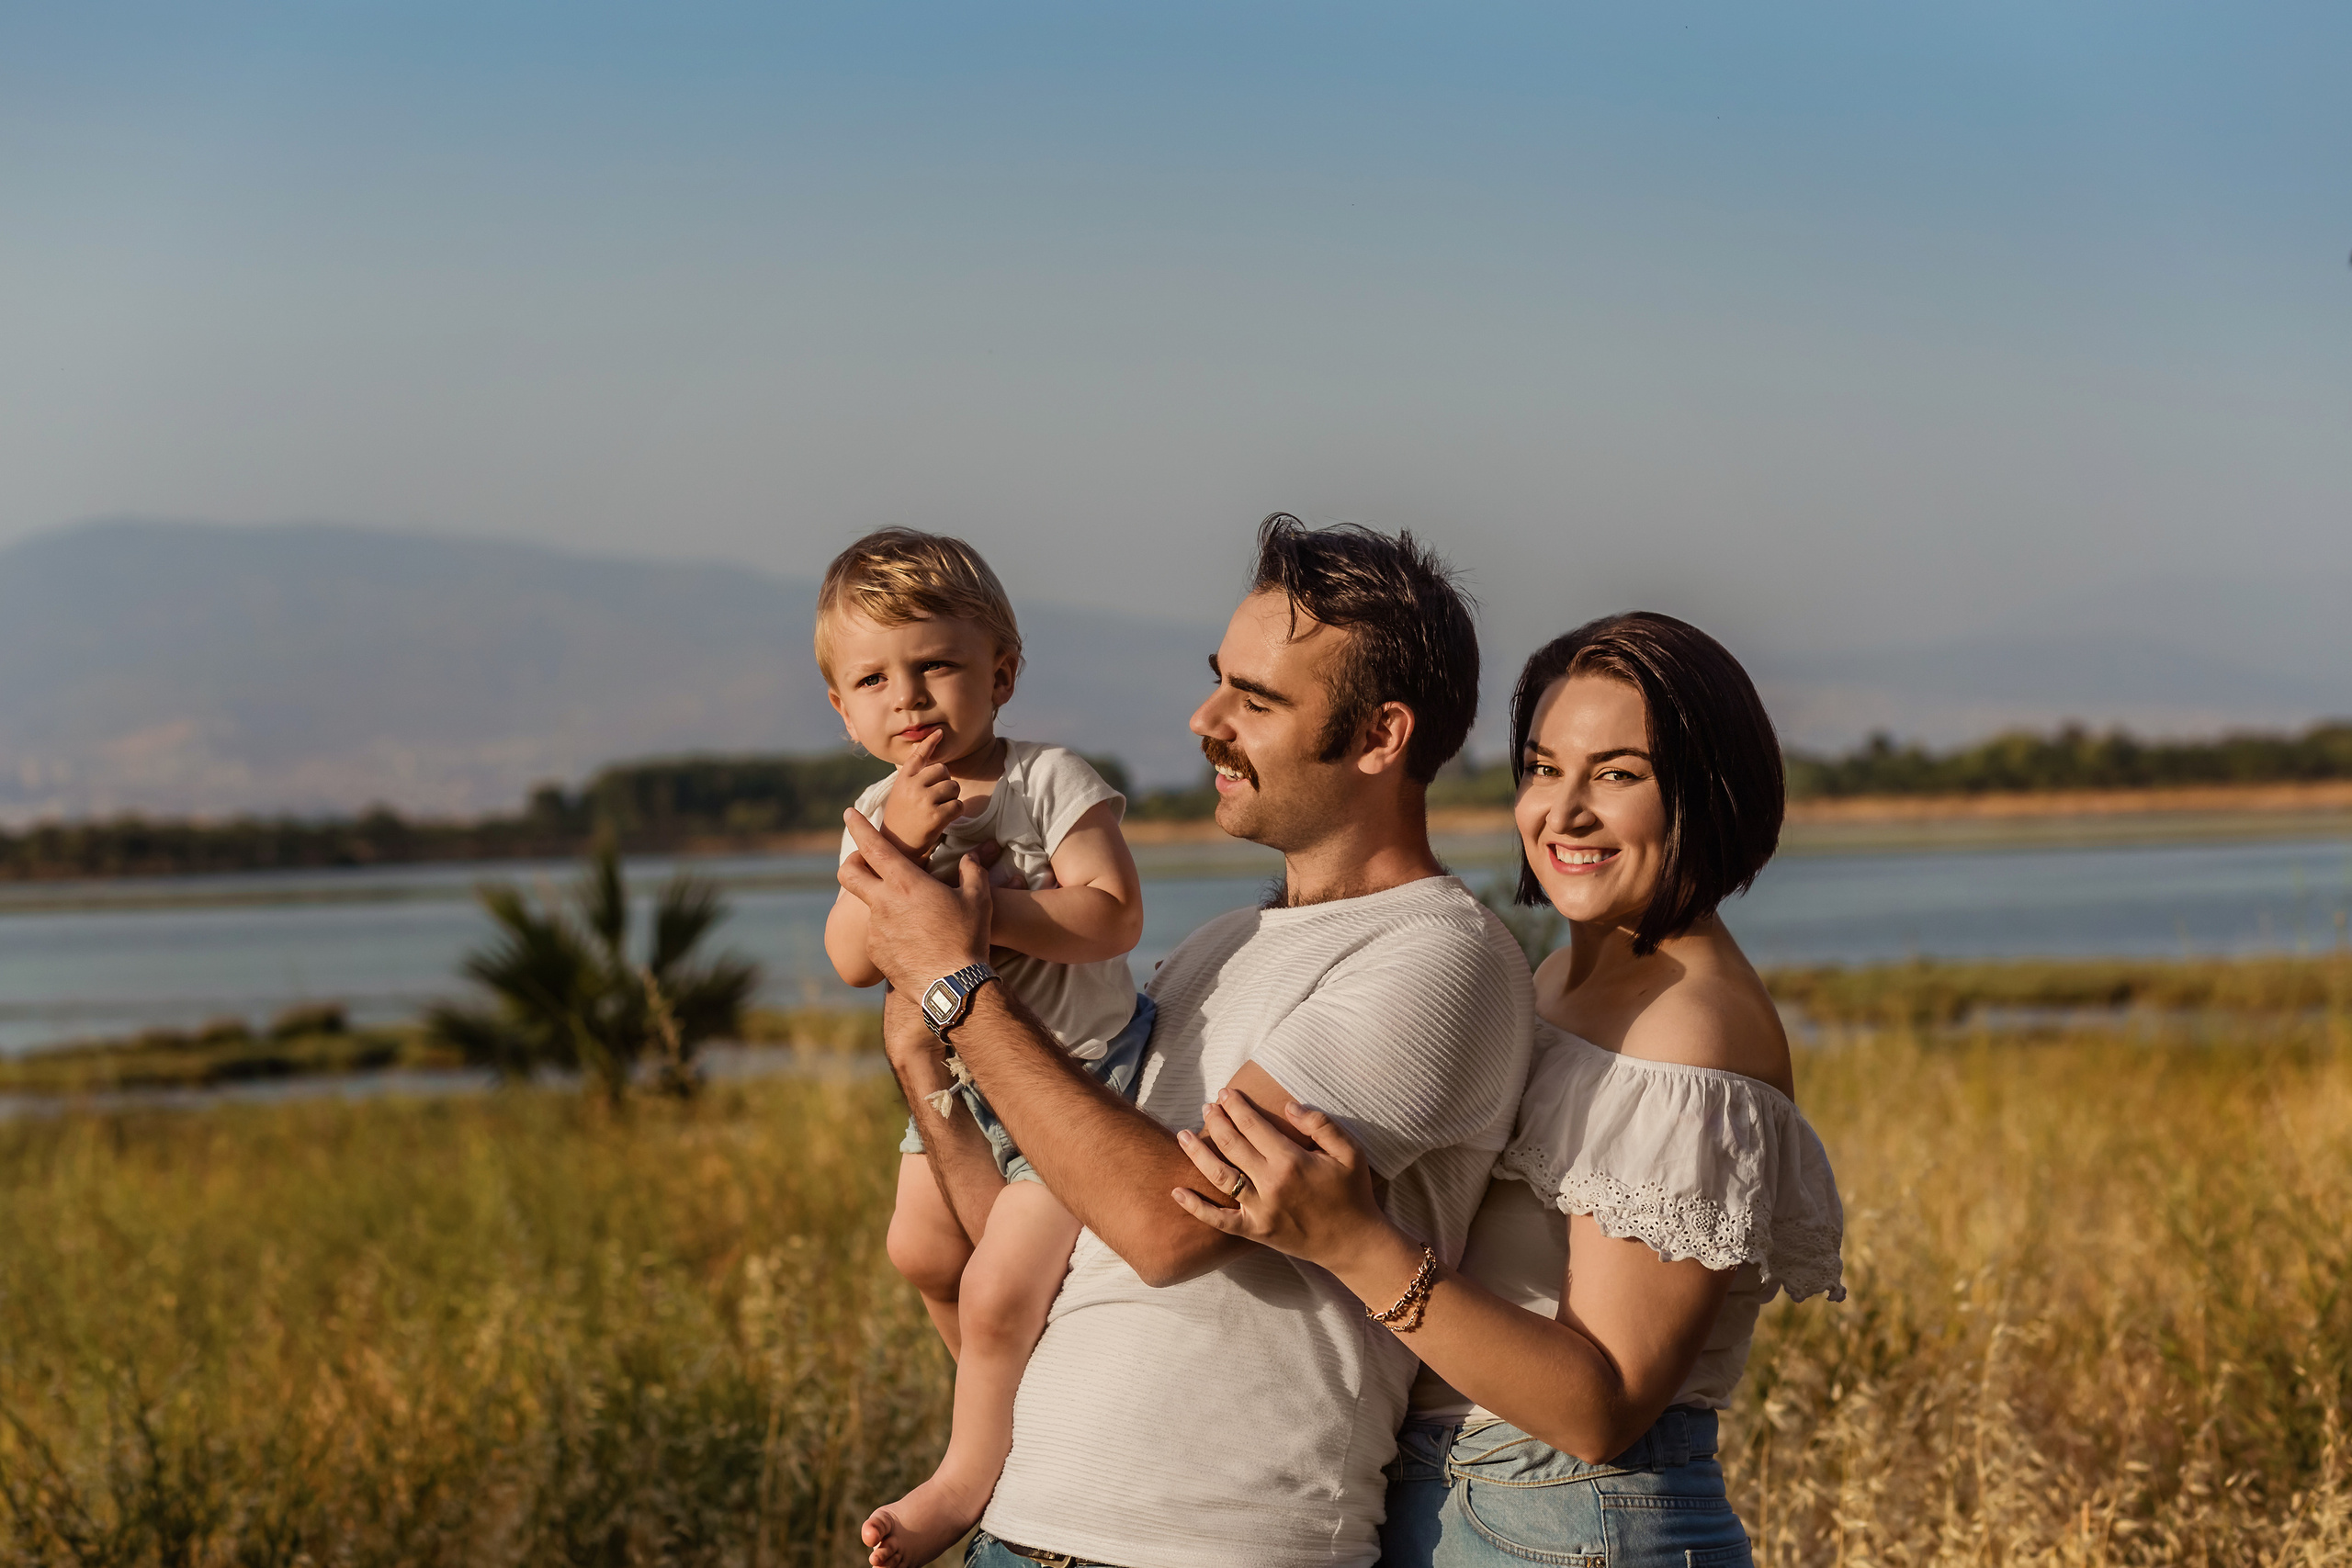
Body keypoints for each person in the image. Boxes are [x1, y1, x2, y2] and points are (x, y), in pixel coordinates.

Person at [836, 514, 1534, 1568]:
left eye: (1254, 701)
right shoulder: (1215, 950)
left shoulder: (1437, 957)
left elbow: (1168, 1229)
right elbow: (1051, 1229)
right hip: (1023, 1532)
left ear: (1381, 737)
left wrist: (954, 985)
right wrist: (924, 1065)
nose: (1204, 719)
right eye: (1219, 681)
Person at [1171, 613, 1847, 1567]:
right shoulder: (1560, 984)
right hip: (1487, 1507)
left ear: (1707, 792)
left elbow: (1598, 1407)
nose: (1561, 812)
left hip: (1571, 1519)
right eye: (1541, 767)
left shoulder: (1688, 1031)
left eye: (1617, 774)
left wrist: (1359, 1246)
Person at [813, 528, 1155, 1568]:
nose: (907, 698)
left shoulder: (1050, 779)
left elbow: (1112, 917)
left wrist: (984, 921)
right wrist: (902, 853)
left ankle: (969, 1475)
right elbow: (849, 958)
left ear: (1000, 673)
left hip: (1078, 1078)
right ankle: (1017, 1420)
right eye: (873, 678)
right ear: (841, 707)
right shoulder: (877, 814)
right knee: (919, 1251)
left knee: (1004, 1284)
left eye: (937, 666)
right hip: (963, 1093)